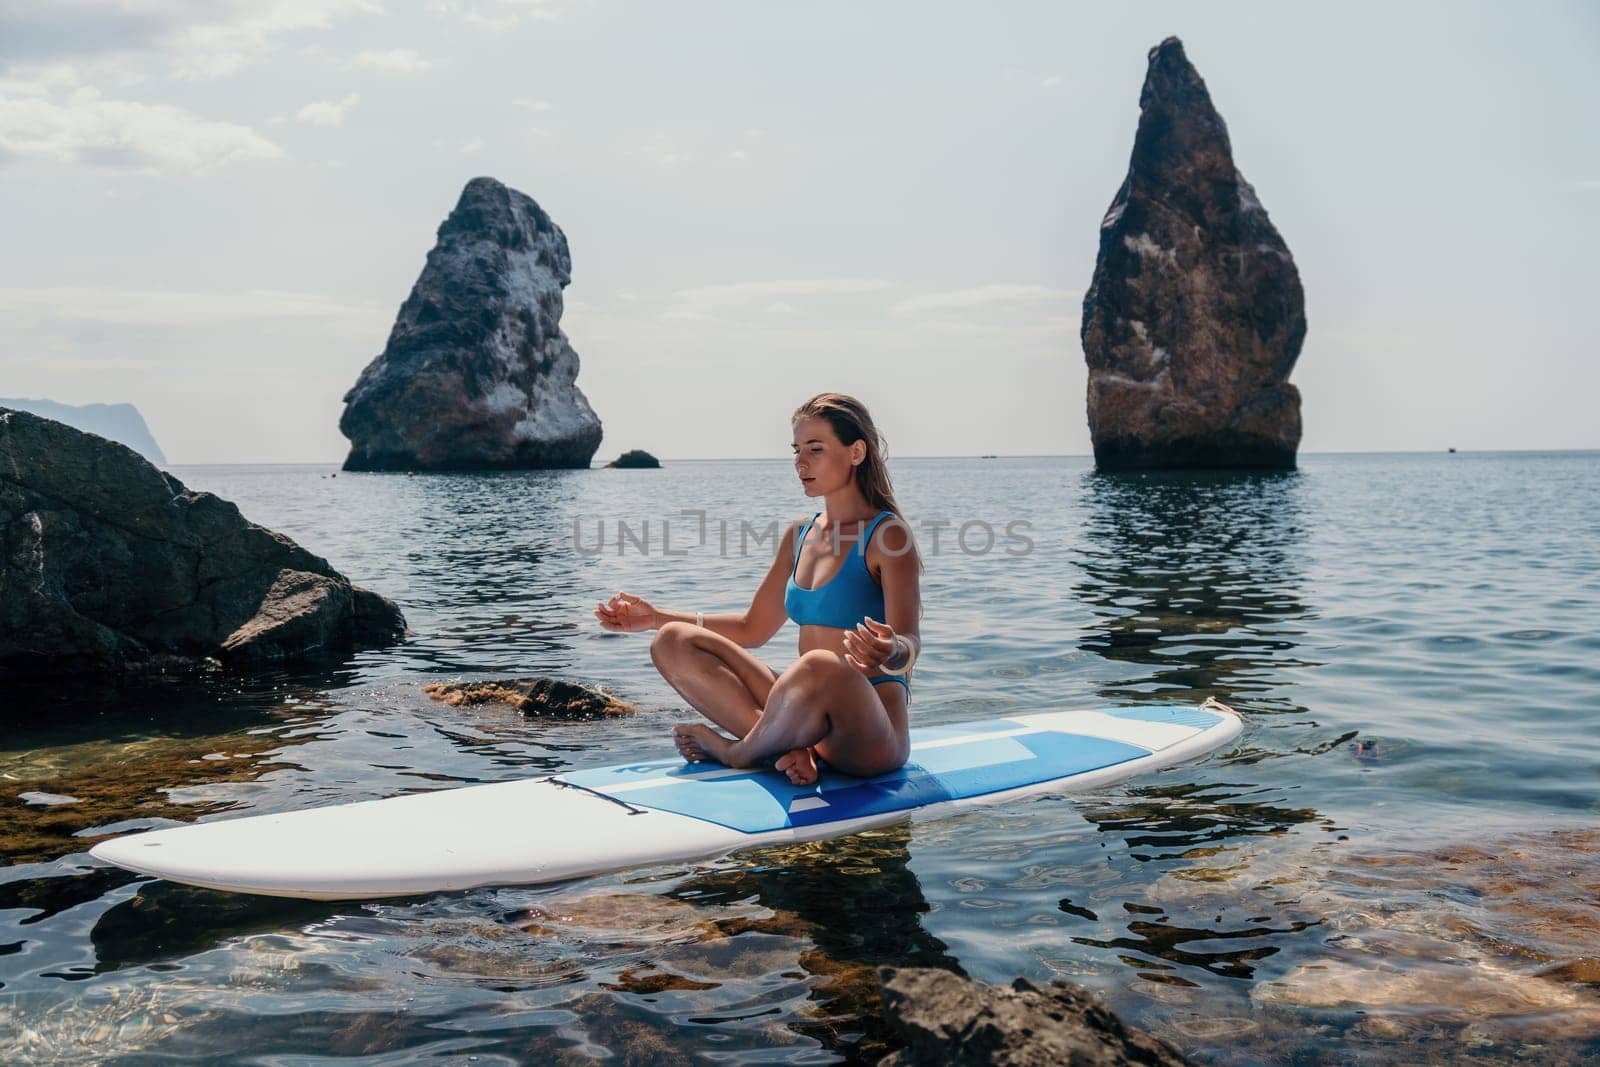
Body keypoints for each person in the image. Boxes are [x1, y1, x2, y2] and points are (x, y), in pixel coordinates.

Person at [593, 392, 923, 786]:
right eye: (797, 450)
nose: (801, 463)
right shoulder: (799, 535)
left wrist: (891, 649)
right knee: (672, 640)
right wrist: (655, 617)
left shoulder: (888, 535)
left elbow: (910, 644)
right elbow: (753, 628)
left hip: (870, 733)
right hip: (807, 716)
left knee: (820, 664)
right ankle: (785, 748)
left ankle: (739, 751)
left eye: (815, 449)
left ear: (856, 452)